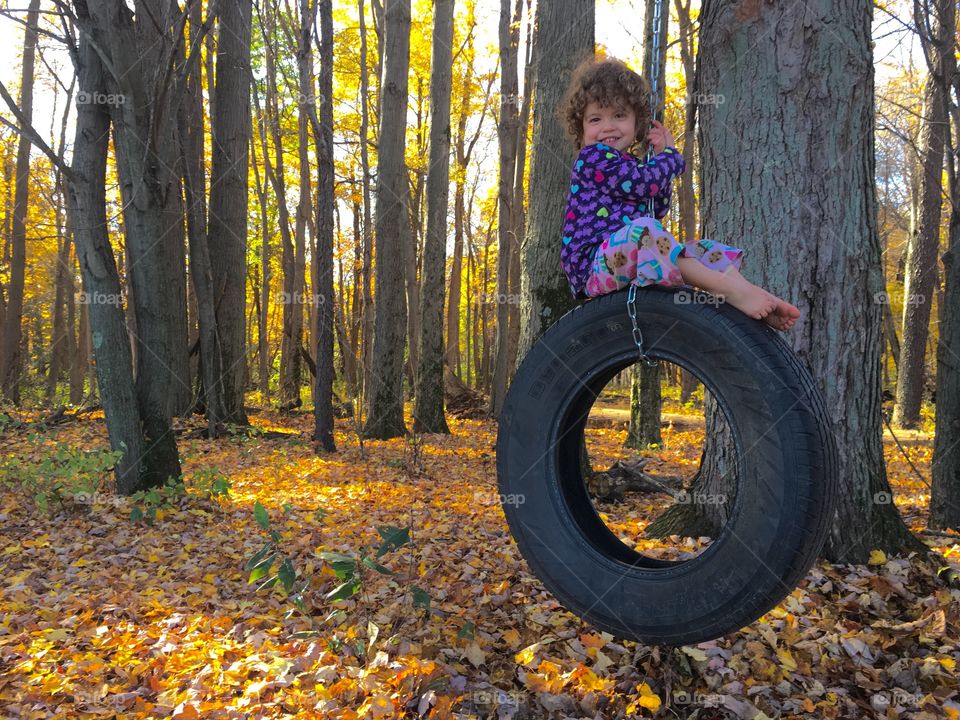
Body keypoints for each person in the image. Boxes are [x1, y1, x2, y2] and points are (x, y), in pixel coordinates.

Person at [559, 56, 800, 331]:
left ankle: (747, 291)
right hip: (593, 266)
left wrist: (660, 155)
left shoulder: (632, 166)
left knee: (703, 250)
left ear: (637, 122)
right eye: (595, 119)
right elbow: (643, 186)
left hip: (626, 256)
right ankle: (730, 291)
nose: (607, 127)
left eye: (619, 115)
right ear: (581, 127)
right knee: (645, 231)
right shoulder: (592, 158)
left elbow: (657, 205)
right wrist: (670, 158)